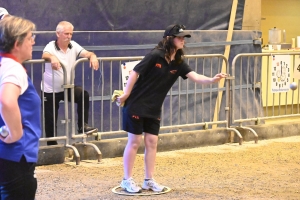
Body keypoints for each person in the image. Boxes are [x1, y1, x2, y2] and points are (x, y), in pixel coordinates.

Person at [117, 24, 227, 193]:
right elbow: (135, 72)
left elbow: (195, 77)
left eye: (184, 37)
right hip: (136, 104)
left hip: (154, 108)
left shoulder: (179, 62)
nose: (183, 40)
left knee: (152, 142)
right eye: (179, 37)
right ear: (169, 39)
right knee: (135, 142)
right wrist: (125, 94)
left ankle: (148, 180)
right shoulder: (155, 55)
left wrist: (212, 80)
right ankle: (127, 180)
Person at [0, 16, 41, 199]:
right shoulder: (14, 69)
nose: (33, 42)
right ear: (17, 43)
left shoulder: (3, 64)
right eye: (30, 37)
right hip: (17, 155)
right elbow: (7, 101)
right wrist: (14, 133)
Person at [41, 21, 99, 145]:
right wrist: (52, 57)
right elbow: (44, 54)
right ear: (58, 34)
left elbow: (86, 53)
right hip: (50, 90)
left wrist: (92, 56)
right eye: (66, 33)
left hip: (67, 87)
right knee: (50, 119)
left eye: (71, 34)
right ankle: (53, 147)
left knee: (83, 95)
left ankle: (82, 126)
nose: (69, 36)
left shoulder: (73, 45)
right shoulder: (51, 45)